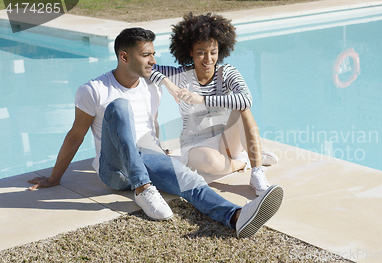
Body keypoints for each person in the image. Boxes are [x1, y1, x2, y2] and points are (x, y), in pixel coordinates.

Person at [27, 27, 284, 238]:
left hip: (148, 157)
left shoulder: (153, 86)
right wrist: (55, 177)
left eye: (153, 53)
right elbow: (76, 134)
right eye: (146, 55)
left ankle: (236, 216)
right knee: (120, 107)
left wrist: (161, 155)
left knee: (189, 179)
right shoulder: (94, 90)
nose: (153, 60)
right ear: (124, 57)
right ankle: (142, 189)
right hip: (115, 170)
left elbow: (151, 126)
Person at [150, 13, 278, 196]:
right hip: (195, 144)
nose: (208, 59)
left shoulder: (227, 73)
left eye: (213, 52)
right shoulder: (179, 76)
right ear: (190, 52)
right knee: (211, 163)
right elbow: (143, 67)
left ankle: (257, 173)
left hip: (227, 139)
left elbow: (246, 99)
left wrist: (201, 100)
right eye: (201, 52)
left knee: (242, 107)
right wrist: (167, 83)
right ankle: (246, 160)